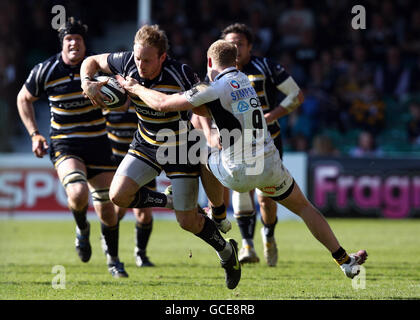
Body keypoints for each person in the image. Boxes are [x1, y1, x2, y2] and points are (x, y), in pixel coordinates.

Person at [121, 39, 368, 280]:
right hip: (268, 163)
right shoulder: (245, 81)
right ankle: (344, 261)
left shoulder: (213, 87)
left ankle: (217, 215)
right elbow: (206, 112)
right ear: (236, 62)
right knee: (304, 207)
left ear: (209, 61)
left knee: (196, 151)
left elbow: (164, 104)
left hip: (237, 172)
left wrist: (135, 88)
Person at [80, 24, 242, 290]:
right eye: (138, 58)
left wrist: (215, 130)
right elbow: (91, 61)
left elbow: (208, 104)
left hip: (180, 148)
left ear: (162, 57)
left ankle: (227, 252)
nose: (140, 65)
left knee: (187, 221)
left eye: (147, 60)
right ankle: (169, 201)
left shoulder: (181, 74)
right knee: (117, 195)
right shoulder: (126, 62)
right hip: (146, 143)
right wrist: (87, 82)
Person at [16, 17, 128, 278]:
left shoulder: (97, 68)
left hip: (99, 141)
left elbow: (122, 105)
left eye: (78, 39)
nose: (74, 43)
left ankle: (113, 259)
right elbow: (24, 98)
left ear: (84, 43)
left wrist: (114, 100)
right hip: (65, 142)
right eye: (69, 39)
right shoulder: (46, 70)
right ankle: (82, 230)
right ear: (63, 44)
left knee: (107, 209)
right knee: (77, 194)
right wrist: (34, 134)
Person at [220, 23, 305, 266]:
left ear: (250, 46)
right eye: (230, 44)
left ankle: (268, 235)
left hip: (269, 141)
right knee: (240, 188)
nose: (235, 49)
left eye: (240, 44)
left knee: (266, 198)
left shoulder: (265, 66)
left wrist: (271, 116)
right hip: (235, 143)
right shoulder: (216, 72)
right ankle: (247, 245)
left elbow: (297, 95)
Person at [104, 106, 156, 267]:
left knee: (144, 215)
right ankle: (109, 246)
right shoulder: (107, 101)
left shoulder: (143, 100)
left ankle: (140, 253)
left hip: (141, 160)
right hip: (116, 162)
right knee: (117, 210)